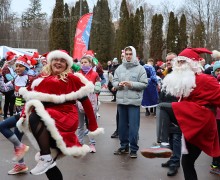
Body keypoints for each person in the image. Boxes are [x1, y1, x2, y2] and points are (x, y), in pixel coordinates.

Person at [16, 50, 103, 179]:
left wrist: (93, 126)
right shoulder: (41, 79)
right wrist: (23, 115)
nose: (58, 62)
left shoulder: (72, 78)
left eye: (62, 61)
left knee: (37, 119)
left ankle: (46, 157)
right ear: (50, 62)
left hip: (66, 115)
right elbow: (30, 99)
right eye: (56, 59)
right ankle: (47, 158)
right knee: (48, 161)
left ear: (67, 64)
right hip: (47, 116)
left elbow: (86, 102)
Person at [141, 48, 220, 180]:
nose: (180, 66)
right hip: (193, 123)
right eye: (179, 62)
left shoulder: (206, 80)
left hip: (201, 121)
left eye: (184, 62)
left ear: (192, 64)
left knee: (162, 108)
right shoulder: (185, 81)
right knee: (187, 162)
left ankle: (163, 145)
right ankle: (165, 143)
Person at [0, 55, 36, 175]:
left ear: (26, 67)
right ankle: (21, 165)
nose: (18, 68)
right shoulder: (16, 79)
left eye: (21, 66)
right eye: (17, 66)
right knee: (16, 139)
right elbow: (4, 88)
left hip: (28, 114)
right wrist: (0, 76)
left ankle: (47, 161)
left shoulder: (31, 79)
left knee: (3, 126)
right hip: (19, 114)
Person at [112, 46, 148, 158]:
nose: (128, 56)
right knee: (122, 127)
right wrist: (118, 85)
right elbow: (114, 81)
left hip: (134, 103)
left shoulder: (140, 69)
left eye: (130, 54)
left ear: (134, 54)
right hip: (121, 102)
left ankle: (133, 149)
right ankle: (124, 146)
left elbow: (144, 84)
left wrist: (131, 84)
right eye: (126, 54)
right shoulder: (119, 68)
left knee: (133, 127)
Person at [77, 55, 101, 153]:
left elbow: (98, 88)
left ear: (90, 63)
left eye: (85, 62)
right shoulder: (77, 74)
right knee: (80, 125)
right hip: (79, 101)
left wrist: (91, 88)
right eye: (82, 63)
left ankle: (92, 144)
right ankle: (80, 144)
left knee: (91, 123)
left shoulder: (95, 74)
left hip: (91, 102)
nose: (83, 64)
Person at [210, 61, 220, 176]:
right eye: (218, 70)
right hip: (216, 117)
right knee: (217, 141)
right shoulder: (213, 83)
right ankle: (215, 164)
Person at [2, 51, 17, 119]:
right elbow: (9, 78)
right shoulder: (6, 68)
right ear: (10, 61)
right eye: (14, 60)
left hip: (12, 87)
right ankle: (5, 116)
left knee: (11, 103)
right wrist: (16, 78)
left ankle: (10, 117)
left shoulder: (11, 68)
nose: (15, 61)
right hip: (8, 87)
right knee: (8, 102)